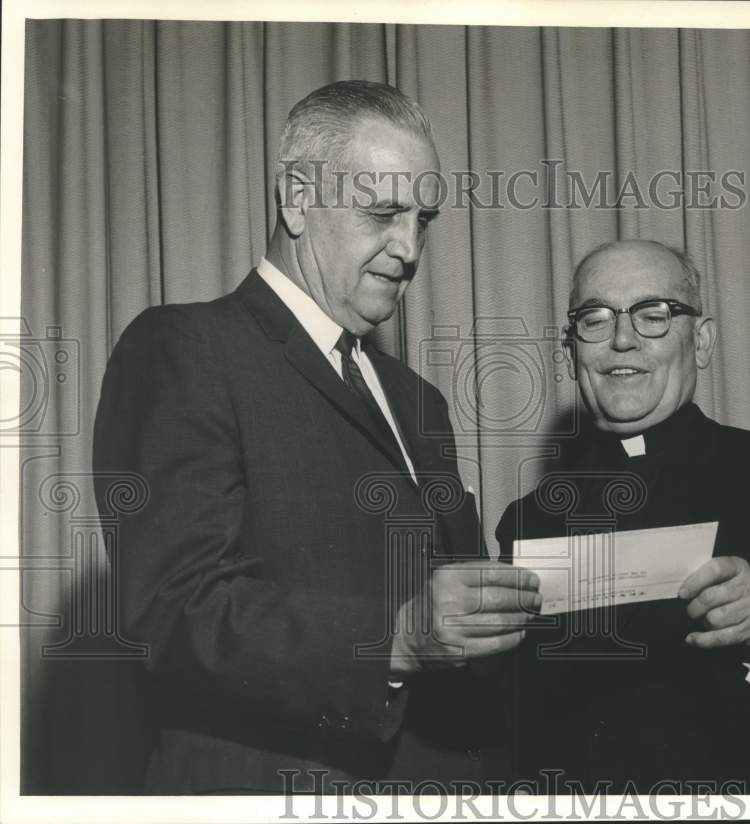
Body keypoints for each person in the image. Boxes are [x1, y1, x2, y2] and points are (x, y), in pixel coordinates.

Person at [93, 80, 539, 794]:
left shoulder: (416, 399)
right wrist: (393, 639)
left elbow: (457, 618)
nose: (409, 248)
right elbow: (174, 609)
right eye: (382, 211)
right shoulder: (183, 347)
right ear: (297, 198)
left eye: (423, 218)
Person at [496, 240, 750, 794]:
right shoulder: (530, 520)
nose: (621, 339)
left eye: (653, 315)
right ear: (571, 352)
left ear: (701, 341)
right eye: (594, 319)